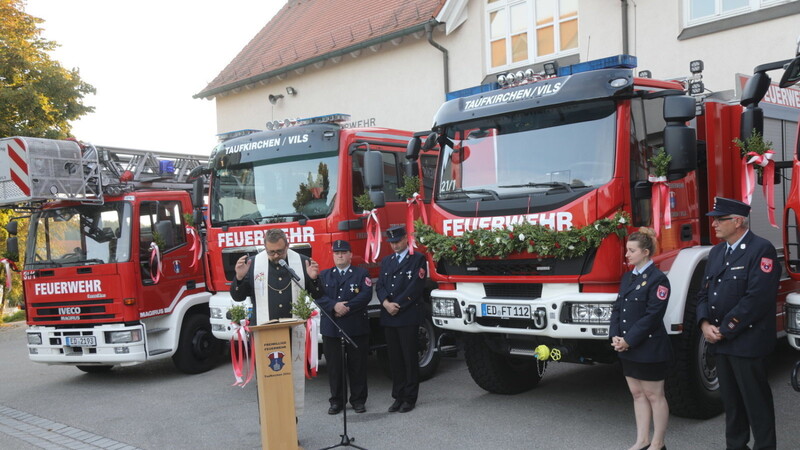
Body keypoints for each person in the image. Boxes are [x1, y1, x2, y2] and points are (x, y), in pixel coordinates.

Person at [696, 197, 779, 450]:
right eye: (714, 220)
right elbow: (703, 294)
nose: (715, 225)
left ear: (738, 221)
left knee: (756, 403)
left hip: (747, 342)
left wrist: (725, 329)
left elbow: (757, 300)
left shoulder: (761, 249)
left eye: (720, 219)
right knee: (731, 404)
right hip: (720, 342)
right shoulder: (717, 252)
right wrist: (704, 324)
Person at [230, 228, 322, 416]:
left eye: (280, 251)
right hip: (265, 335)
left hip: (292, 332)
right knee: (268, 379)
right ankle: (269, 426)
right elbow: (238, 296)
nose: (275, 255)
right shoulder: (254, 264)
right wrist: (239, 277)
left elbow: (318, 294)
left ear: (287, 246)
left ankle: (291, 427)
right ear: (265, 248)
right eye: (271, 252)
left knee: (290, 380)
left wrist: (314, 279)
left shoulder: (302, 262)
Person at [610, 227, 672, 450]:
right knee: (637, 394)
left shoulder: (658, 280)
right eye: (627, 250)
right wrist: (615, 336)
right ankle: (642, 440)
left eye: (631, 250)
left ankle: (658, 443)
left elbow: (652, 316)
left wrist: (629, 340)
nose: (627, 254)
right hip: (627, 347)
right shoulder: (628, 277)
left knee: (654, 395)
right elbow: (617, 309)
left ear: (645, 252)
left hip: (649, 348)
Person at [316, 240, 372, 415]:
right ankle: (336, 401)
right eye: (336, 253)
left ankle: (358, 400)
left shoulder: (361, 273)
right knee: (334, 368)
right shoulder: (324, 275)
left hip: (355, 326)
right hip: (332, 328)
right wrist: (334, 306)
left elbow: (366, 295)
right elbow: (317, 295)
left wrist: (347, 307)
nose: (340, 255)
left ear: (350, 255)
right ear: (333, 255)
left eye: (343, 252)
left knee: (357, 366)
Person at [376, 225, 427, 413]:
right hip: (389, 315)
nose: (395, 246)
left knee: (409, 358)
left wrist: (397, 305)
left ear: (406, 239)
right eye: (392, 243)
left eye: (398, 241)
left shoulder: (417, 259)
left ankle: (410, 397)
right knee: (395, 359)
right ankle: (397, 396)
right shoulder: (387, 261)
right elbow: (380, 285)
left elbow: (415, 287)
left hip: (407, 314)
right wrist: (386, 303)